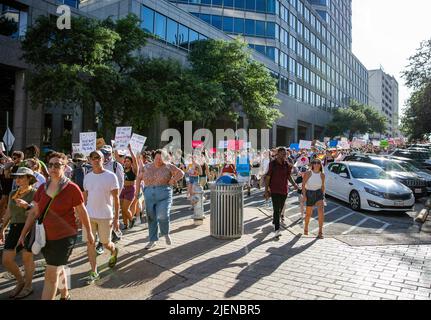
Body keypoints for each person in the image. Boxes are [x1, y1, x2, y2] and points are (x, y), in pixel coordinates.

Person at [18, 152, 94, 300]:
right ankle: (65, 294)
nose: (53, 167)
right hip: (45, 236)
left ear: (65, 167)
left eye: (57, 165)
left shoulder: (72, 188)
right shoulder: (42, 188)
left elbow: (82, 211)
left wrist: (89, 232)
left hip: (65, 237)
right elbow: (34, 213)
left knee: (50, 275)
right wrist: (23, 233)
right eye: (51, 164)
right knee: (58, 267)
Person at [83, 150, 120, 284]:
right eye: (93, 158)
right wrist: (80, 214)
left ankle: (114, 251)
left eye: (98, 157)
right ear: (89, 160)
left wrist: (116, 219)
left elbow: (116, 199)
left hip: (105, 215)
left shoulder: (111, 176)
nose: (95, 160)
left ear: (103, 159)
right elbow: (84, 197)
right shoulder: (87, 176)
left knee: (105, 243)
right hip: (89, 216)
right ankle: (94, 271)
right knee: (90, 244)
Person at [0, 167, 37, 299]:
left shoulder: (35, 193)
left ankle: (28, 286)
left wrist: (27, 206)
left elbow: (35, 212)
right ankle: (21, 281)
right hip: (15, 227)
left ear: (29, 178)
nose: (18, 179)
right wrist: (3, 228)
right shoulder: (13, 193)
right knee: (6, 260)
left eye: (21, 177)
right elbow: (9, 211)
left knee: (27, 258)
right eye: (16, 177)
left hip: (29, 227)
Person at [138, 149, 184, 250]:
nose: (159, 160)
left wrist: (173, 179)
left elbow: (181, 173)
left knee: (163, 215)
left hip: (164, 194)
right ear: (154, 157)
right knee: (151, 218)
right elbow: (139, 178)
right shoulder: (147, 167)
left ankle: (165, 233)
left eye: (161, 158)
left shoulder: (168, 166)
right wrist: (137, 192)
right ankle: (152, 240)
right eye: (157, 158)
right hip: (149, 194)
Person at [264, 147, 299, 238]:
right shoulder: (272, 164)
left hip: (284, 190)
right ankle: (277, 229)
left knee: (280, 208)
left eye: (285, 154)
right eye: (283, 153)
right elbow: (267, 177)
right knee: (276, 209)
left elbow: (289, 176)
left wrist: (294, 184)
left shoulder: (287, 165)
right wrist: (266, 190)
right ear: (278, 154)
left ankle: (275, 221)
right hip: (274, 189)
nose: (284, 155)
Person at [302, 159, 326, 239]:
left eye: (318, 163)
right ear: (312, 165)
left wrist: (323, 197)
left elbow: (323, 186)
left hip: (319, 193)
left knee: (321, 211)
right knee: (309, 213)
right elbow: (303, 185)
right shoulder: (308, 173)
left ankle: (320, 232)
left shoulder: (322, 175)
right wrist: (304, 196)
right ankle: (306, 227)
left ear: (320, 165)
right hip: (310, 193)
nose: (316, 164)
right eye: (314, 163)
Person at [120, 145, 139, 230]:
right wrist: (115, 148)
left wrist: (130, 150)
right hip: (122, 189)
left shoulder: (134, 169)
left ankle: (132, 219)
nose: (126, 162)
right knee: (122, 209)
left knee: (125, 208)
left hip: (130, 190)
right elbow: (117, 158)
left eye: (128, 161)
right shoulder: (122, 168)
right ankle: (125, 224)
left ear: (131, 162)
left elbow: (135, 160)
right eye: (125, 161)